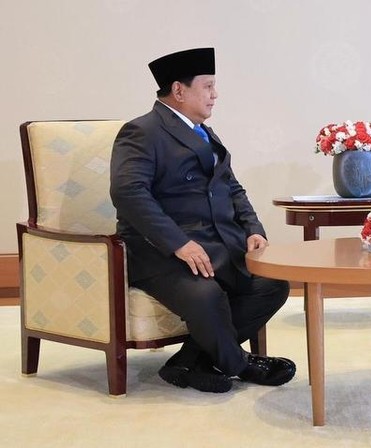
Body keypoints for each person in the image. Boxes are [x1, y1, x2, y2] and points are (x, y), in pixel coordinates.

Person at [110, 47, 295, 393]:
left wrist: (253, 230)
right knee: (207, 296)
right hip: (161, 253)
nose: (216, 95)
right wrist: (178, 244)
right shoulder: (141, 131)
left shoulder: (206, 133)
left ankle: (189, 362)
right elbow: (128, 193)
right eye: (208, 86)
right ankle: (238, 364)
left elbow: (232, 187)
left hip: (217, 245)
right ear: (179, 91)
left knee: (272, 285)